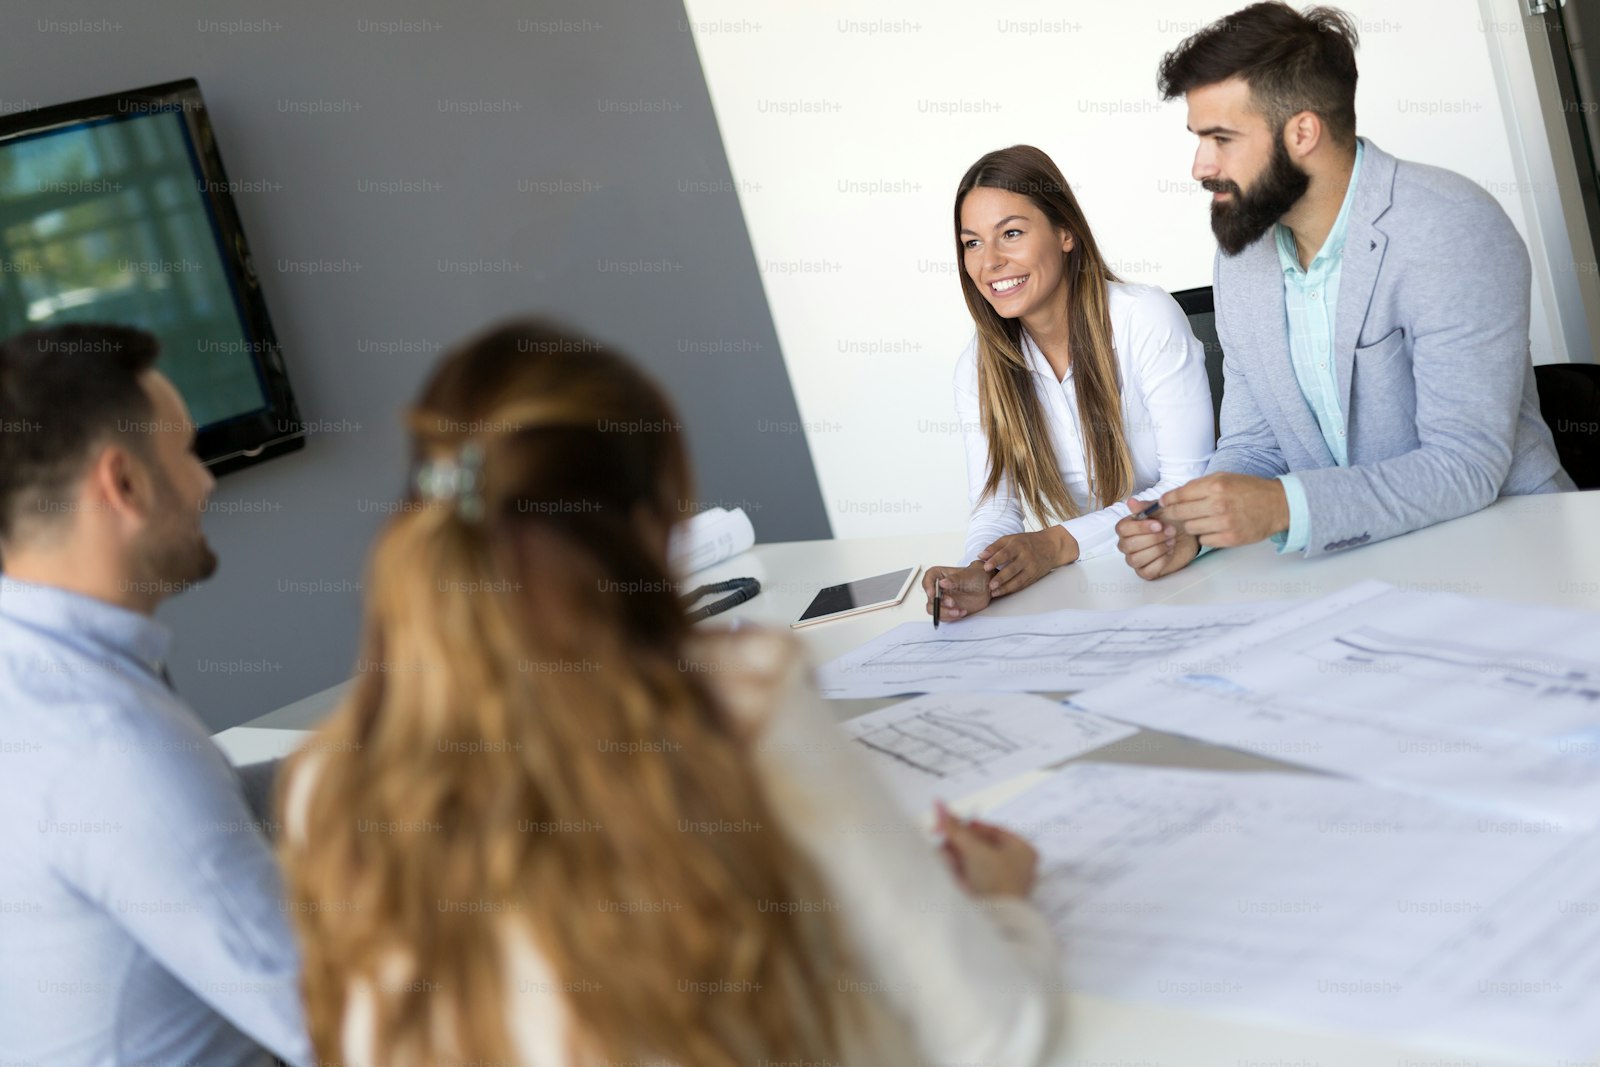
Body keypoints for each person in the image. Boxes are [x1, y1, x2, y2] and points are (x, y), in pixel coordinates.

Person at [276, 320, 1066, 1066]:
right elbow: (992, 1031)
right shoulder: (735, 703)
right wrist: (998, 905)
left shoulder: (323, 788)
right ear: (652, 530)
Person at [1116, 2, 1574, 580]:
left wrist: (1285, 506)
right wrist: (1192, 525)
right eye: (1198, 137)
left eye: (1221, 138)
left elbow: (1467, 465)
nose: (1200, 165)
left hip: (1512, 557)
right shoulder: (1242, 258)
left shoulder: (1451, 225)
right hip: (1362, 571)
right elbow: (1256, 444)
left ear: (1302, 132)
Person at [0, 324, 311, 1066]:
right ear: (125, 483)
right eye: (188, 451)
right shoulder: (111, 742)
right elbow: (336, 1022)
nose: (205, 482)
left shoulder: (36, 671)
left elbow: (190, 819)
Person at [924, 145, 1215, 620]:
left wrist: (1057, 543)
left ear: (1065, 233)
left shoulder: (1144, 317)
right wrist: (979, 570)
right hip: (1108, 584)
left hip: (1195, 570)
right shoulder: (979, 365)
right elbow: (994, 505)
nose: (989, 261)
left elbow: (1190, 484)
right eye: (972, 242)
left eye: (1011, 233)